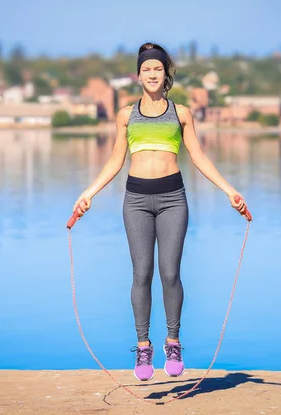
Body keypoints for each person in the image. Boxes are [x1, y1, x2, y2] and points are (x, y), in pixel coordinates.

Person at [72, 42, 249, 381]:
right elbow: (115, 160)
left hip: (172, 199)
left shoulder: (181, 113)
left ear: (165, 74)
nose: (152, 74)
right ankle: (142, 347)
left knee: (170, 273)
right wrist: (89, 194)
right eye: (146, 69)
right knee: (142, 275)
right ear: (138, 75)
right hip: (136, 201)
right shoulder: (126, 114)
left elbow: (197, 156)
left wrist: (230, 191)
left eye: (157, 69)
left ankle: (173, 341)